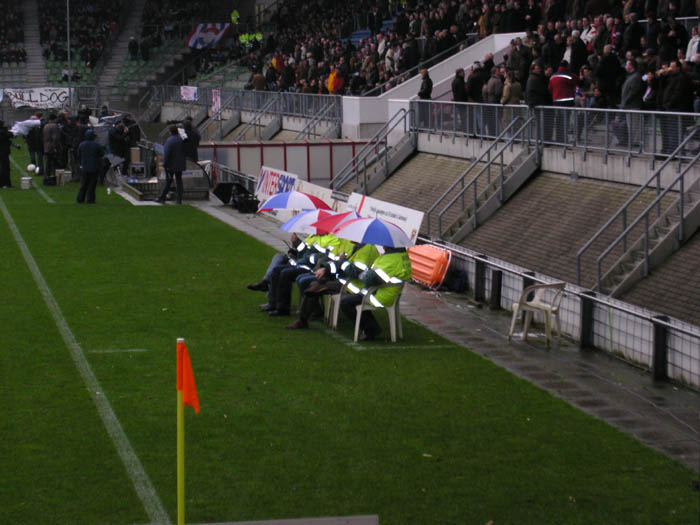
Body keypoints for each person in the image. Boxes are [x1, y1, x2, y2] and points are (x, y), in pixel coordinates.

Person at [286, 242, 380, 330]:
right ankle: (306, 318)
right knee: (314, 285)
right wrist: (325, 268)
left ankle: (304, 320)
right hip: (344, 282)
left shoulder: (367, 251)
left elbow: (356, 273)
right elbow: (339, 264)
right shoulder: (357, 248)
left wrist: (343, 261)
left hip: (353, 287)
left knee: (314, 288)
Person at [340, 246, 412, 341]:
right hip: (390, 294)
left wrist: (363, 274)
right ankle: (372, 327)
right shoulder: (403, 256)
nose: (382, 246)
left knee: (345, 302)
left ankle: (370, 330)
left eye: (384, 244)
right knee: (354, 298)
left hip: (379, 295)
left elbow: (371, 278)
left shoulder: (390, 259)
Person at [156, 125, 186, 204]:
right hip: (180, 164)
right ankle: (179, 199)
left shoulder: (169, 141)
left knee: (168, 181)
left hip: (170, 165)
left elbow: (167, 154)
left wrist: (165, 164)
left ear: (170, 132)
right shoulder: (181, 140)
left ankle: (162, 197)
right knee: (179, 181)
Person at [76, 130, 104, 204]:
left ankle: (80, 198)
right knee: (92, 184)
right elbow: (101, 154)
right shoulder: (96, 145)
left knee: (83, 184)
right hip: (94, 167)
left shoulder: (81, 144)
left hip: (84, 167)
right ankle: (90, 199)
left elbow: (78, 155)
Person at [43, 113, 60, 184]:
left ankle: (46, 176)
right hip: (51, 146)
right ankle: (52, 177)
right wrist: (55, 147)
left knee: (47, 162)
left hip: (46, 146)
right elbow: (55, 138)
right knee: (53, 163)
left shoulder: (46, 126)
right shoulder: (54, 126)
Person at [0, 121, 16, 188]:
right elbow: (11, 135)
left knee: (2, 168)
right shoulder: (4, 131)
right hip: (4, 152)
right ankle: (6, 183)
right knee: (5, 168)